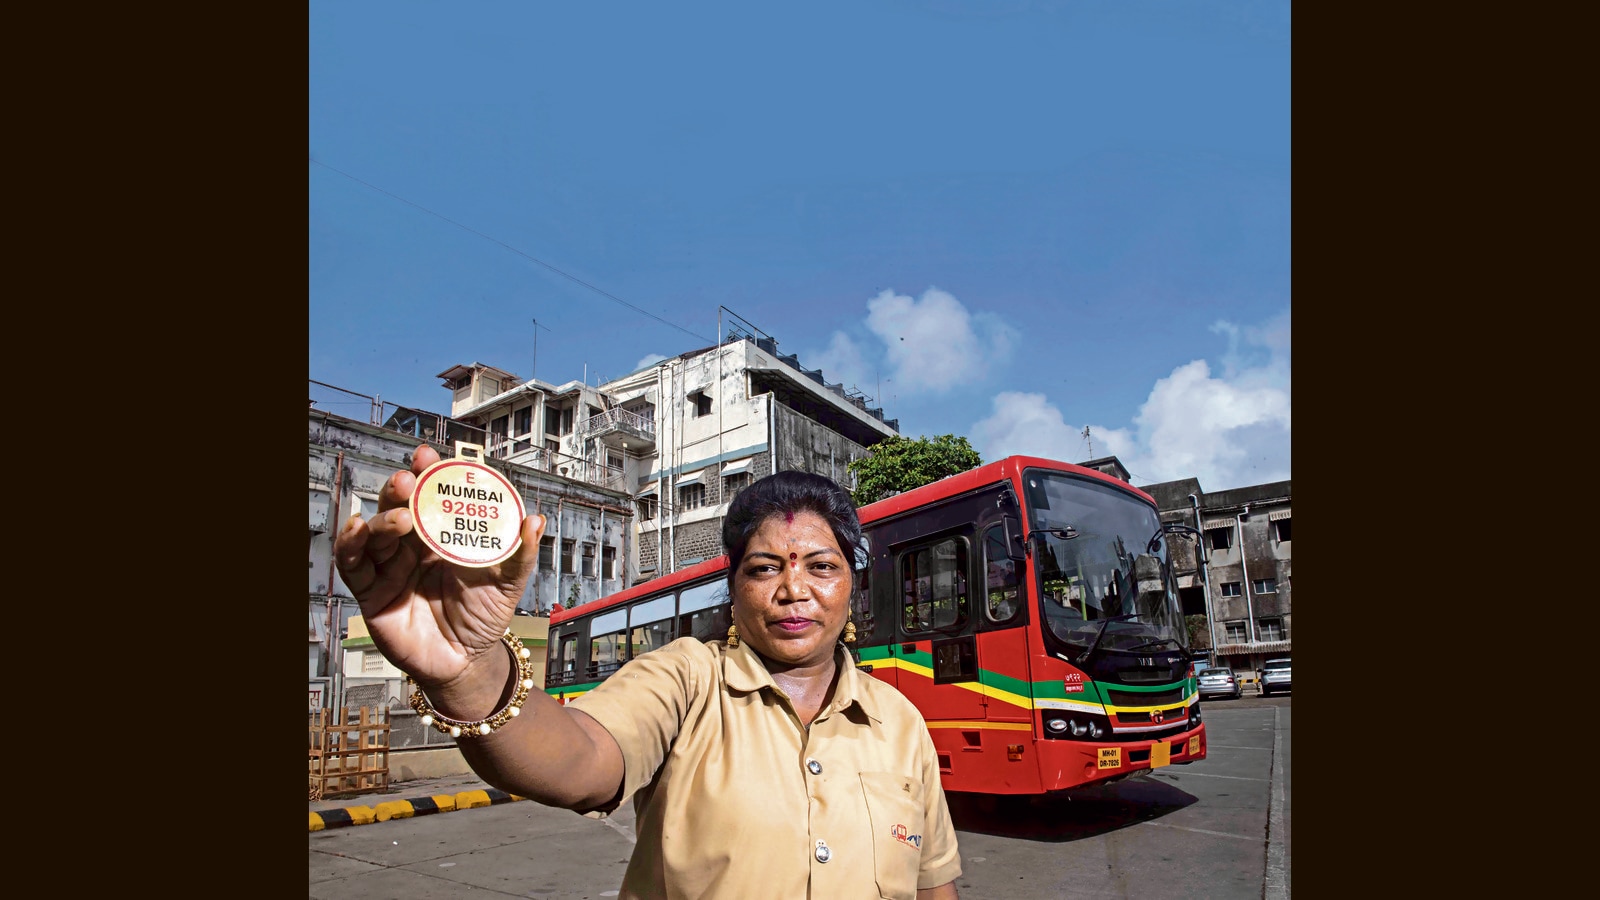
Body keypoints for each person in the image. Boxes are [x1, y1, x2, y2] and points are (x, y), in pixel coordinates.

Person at [335, 443, 961, 899]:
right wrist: (466, 669)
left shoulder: (900, 723)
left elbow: (935, 887)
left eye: (821, 567)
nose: (793, 589)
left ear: (853, 586)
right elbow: (581, 763)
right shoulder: (686, 679)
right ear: (734, 591)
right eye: (764, 568)